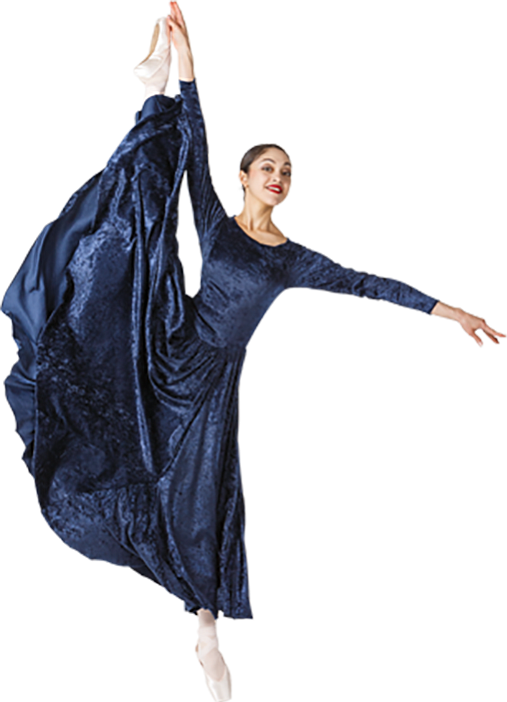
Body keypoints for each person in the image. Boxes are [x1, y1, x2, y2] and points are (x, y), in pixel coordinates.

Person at [2, 3, 504, 701]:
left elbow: (368, 284)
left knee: (199, 493)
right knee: (131, 435)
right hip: (169, 354)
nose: (278, 175)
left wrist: (451, 314)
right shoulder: (218, 222)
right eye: (268, 166)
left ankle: (203, 620)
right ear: (243, 178)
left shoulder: (288, 256)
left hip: (212, 382)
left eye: (285, 170)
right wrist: (182, 53)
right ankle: (151, 86)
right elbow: (196, 128)